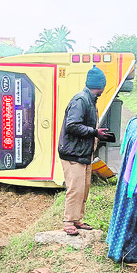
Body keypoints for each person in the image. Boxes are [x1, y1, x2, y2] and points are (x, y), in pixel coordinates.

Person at [58, 66, 108, 235]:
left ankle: (77, 219)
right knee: (75, 188)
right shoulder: (81, 100)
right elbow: (72, 125)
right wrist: (94, 132)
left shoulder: (90, 100)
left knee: (84, 187)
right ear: (99, 86)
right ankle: (68, 222)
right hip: (73, 153)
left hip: (83, 153)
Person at [107, 100, 137, 263]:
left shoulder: (135, 122)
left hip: (126, 176)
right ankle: (131, 252)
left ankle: (115, 242)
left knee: (122, 211)